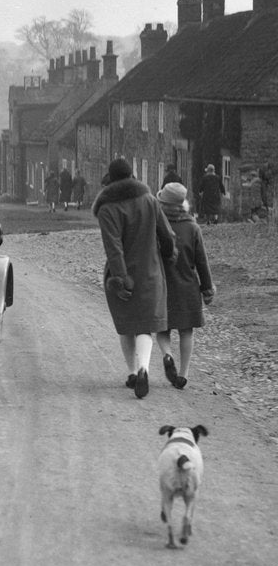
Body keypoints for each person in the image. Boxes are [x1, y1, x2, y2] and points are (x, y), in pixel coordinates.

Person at [92, 157, 175, 399]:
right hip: (150, 271)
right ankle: (144, 369)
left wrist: (120, 278)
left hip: (123, 275)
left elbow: (113, 248)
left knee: (126, 325)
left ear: (112, 180)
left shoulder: (107, 209)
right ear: (132, 176)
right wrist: (169, 256)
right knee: (145, 326)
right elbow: (167, 236)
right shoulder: (149, 200)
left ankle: (131, 372)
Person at [155, 182, 215, 390]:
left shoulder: (158, 225)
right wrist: (207, 288)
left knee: (162, 328)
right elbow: (202, 261)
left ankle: (167, 354)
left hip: (162, 284)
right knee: (186, 331)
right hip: (187, 285)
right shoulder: (192, 227)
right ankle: (183, 374)